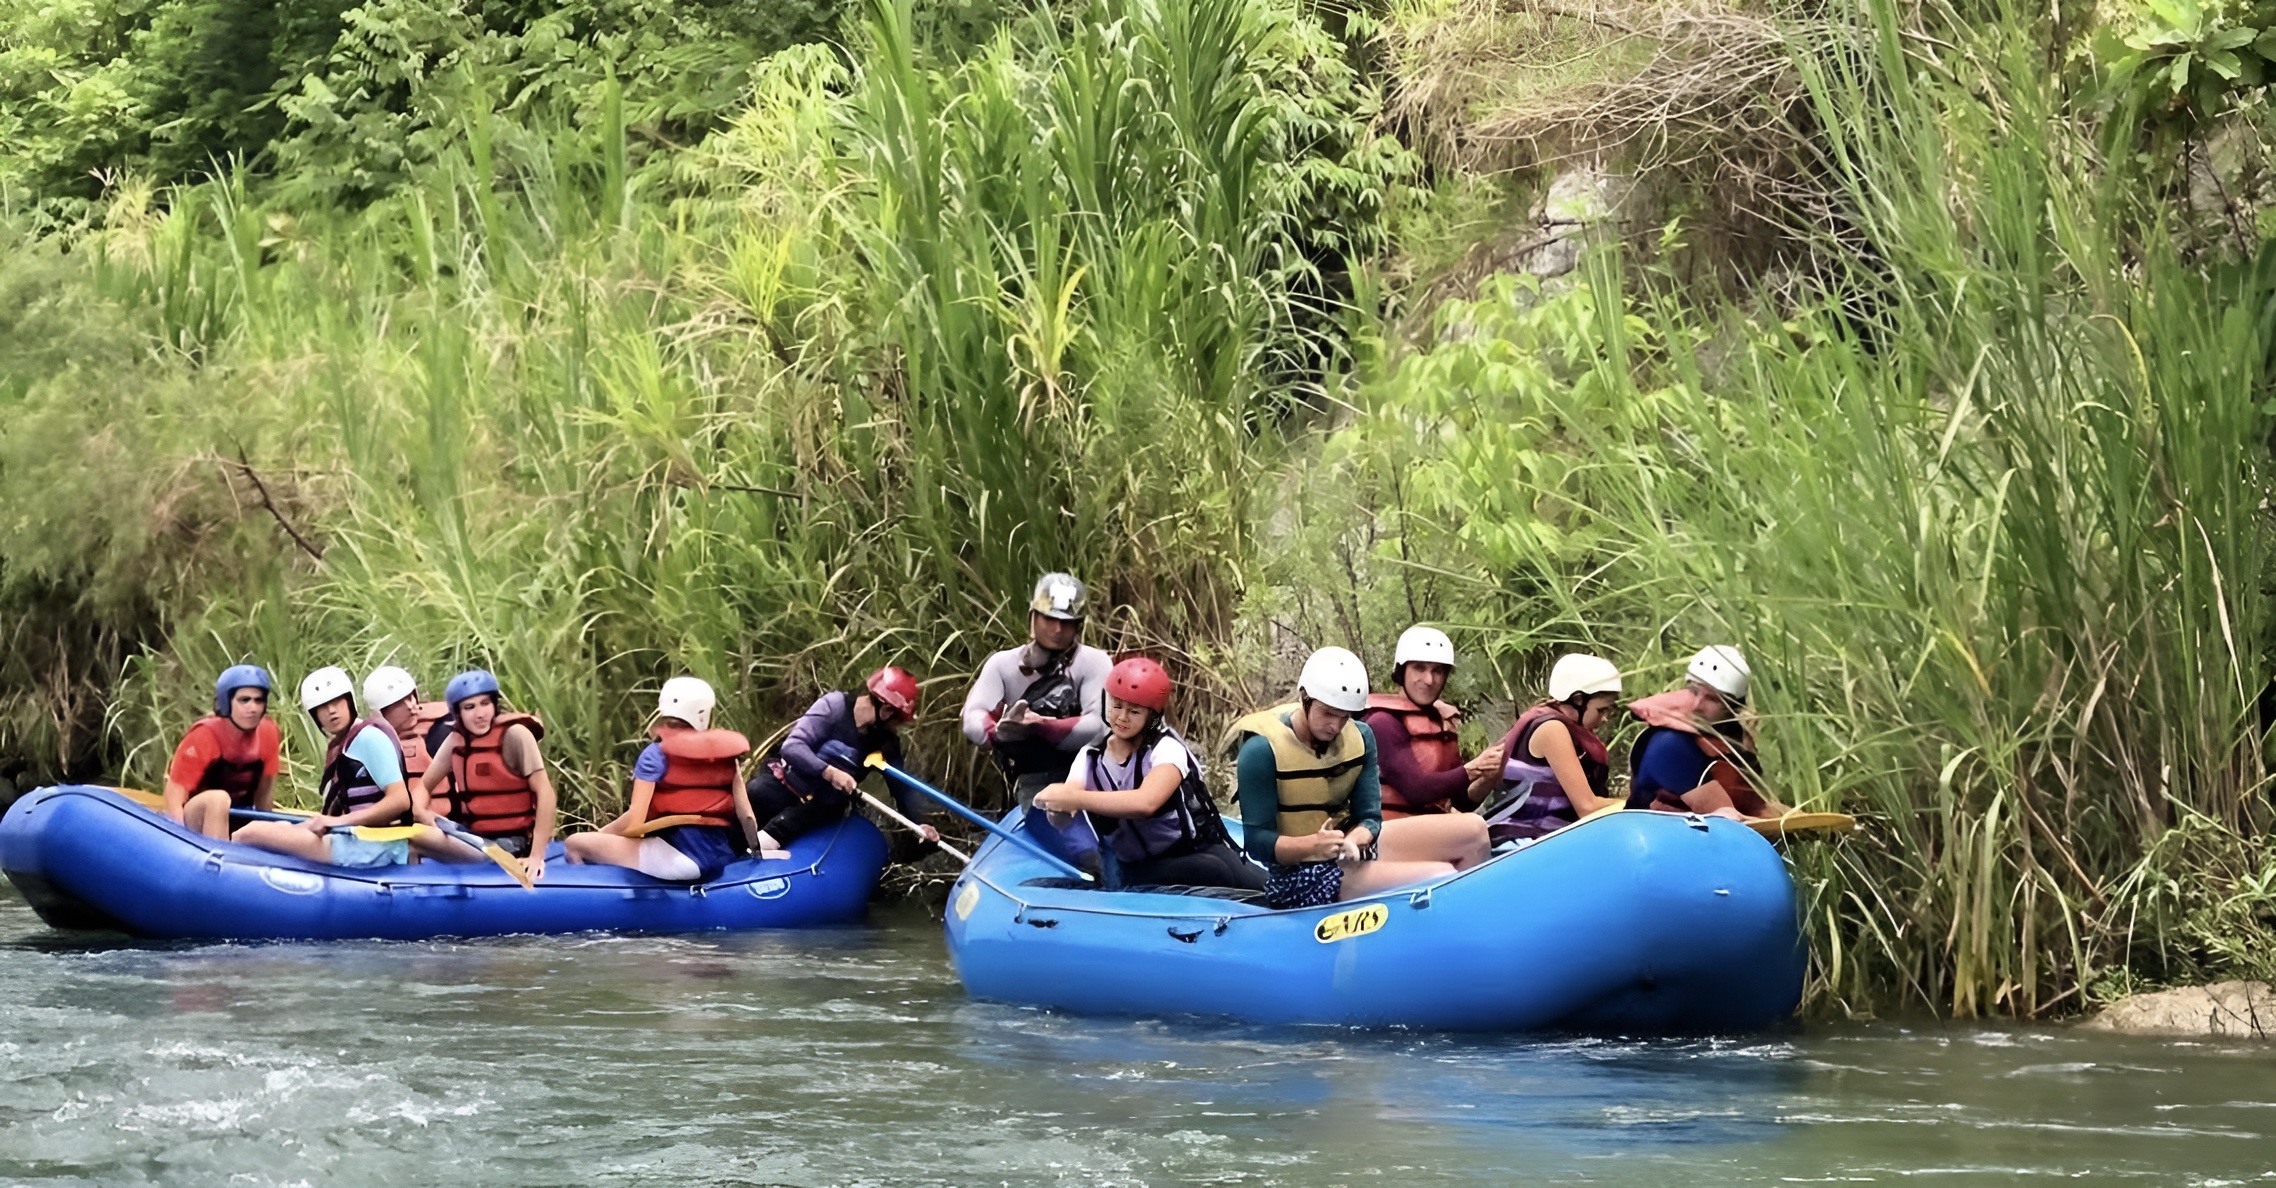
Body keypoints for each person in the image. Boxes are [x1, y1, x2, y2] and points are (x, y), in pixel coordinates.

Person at [1229, 647, 1489, 909]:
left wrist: (1356, 839)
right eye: (1328, 713)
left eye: (1345, 717)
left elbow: (1371, 818)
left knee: (1474, 830)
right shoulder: (1261, 750)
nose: (1336, 726)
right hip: (1300, 877)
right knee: (1440, 876)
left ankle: (1477, 924)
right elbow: (1257, 842)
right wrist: (1312, 847)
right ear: (1304, 697)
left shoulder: (1361, 736)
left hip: (1351, 852)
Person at [1032, 657, 1264, 891]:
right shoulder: (1090, 758)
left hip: (1194, 849)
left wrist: (1075, 799)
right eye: (1117, 706)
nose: (1122, 717)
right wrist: (1057, 807)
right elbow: (1064, 813)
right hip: (1136, 868)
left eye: (1134, 711)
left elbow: (1147, 802)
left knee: (1252, 882)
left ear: (1151, 718)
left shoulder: (1167, 749)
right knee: (1211, 871)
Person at [232, 667, 462, 868]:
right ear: (315, 715)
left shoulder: (369, 738)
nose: (332, 711)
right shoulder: (344, 743)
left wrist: (336, 822)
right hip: (356, 838)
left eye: (337, 702)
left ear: (349, 702)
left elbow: (399, 801)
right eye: (323, 707)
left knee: (248, 833)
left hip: (373, 846)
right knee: (276, 824)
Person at [565, 677, 761, 882]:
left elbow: (635, 820)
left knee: (574, 843)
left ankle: (591, 901)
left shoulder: (654, 756)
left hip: (677, 862)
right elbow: (747, 816)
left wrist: (602, 835)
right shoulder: (726, 757)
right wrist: (756, 852)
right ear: (704, 715)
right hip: (719, 857)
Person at [744, 666, 938, 859]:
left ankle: (770, 840)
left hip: (822, 806)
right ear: (886, 710)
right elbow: (792, 747)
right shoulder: (834, 706)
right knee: (757, 792)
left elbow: (902, 790)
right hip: (790, 786)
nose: (895, 727)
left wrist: (919, 822)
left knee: (832, 803)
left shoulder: (886, 743)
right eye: (897, 721)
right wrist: (829, 771)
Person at [960, 573, 1113, 806]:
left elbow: (1098, 727)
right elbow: (972, 716)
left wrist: (1042, 726)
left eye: (1066, 623)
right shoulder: (1003, 664)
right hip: (1029, 778)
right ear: (1033, 617)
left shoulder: (1095, 662)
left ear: (1078, 626)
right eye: (1049, 619)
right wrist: (998, 732)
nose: (1057, 629)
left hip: (1087, 778)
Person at [417, 669, 559, 879]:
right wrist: (422, 812)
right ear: (458, 713)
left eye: (485, 703)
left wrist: (536, 857)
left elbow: (546, 794)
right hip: (476, 838)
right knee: (415, 834)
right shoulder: (456, 741)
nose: (480, 714)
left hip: (511, 845)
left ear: (495, 704)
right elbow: (423, 787)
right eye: (470, 707)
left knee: (415, 839)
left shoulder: (515, 735)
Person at [1626, 646, 1790, 820]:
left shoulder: (1733, 742)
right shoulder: (1669, 745)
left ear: (1731, 708)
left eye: (1712, 699)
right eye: (1694, 691)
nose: (1697, 705)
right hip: (1655, 836)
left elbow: (1758, 804)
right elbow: (1726, 817)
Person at [1363, 626, 1505, 819]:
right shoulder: (1382, 723)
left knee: (1482, 824)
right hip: (1389, 833)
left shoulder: (1442, 724)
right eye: (1419, 668)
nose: (1429, 680)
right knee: (1475, 827)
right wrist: (1475, 767)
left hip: (1432, 831)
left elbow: (1461, 802)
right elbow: (1417, 790)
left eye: (1437, 670)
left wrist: (1490, 775)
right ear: (1401, 672)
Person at [1484, 653, 1623, 840]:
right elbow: (1587, 807)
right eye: (1601, 710)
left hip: (1541, 840)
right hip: (1521, 842)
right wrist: (1642, 804)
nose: (1605, 718)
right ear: (1578, 700)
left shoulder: (1553, 721)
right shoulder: (1552, 728)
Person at [162, 664, 282, 841]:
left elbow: (264, 796)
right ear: (226, 702)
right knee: (218, 799)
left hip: (238, 815)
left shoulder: (269, 732)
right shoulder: (204, 736)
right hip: (196, 820)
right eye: (244, 700)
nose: (253, 708)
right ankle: (220, 856)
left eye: (259, 700)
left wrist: (269, 834)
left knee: (283, 827)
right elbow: (174, 797)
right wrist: (179, 839)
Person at [364, 665, 446, 786]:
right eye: (398, 703)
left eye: (410, 697)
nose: (410, 706)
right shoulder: (366, 746)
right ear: (381, 713)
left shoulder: (442, 729)